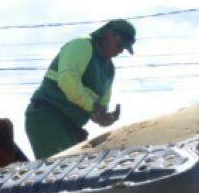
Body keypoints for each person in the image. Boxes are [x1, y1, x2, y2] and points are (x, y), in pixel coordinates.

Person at [25, 19, 136, 159]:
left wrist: (105, 118)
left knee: (81, 170)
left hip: (72, 127)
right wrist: (93, 108)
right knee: (64, 170)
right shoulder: (82, 45)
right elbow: (67, 81)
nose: (120, 51)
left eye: (123, 49)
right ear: (109, 34)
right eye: (119, 45)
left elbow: (98, 108)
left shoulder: (109, 70)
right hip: (48, 117)